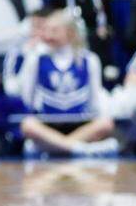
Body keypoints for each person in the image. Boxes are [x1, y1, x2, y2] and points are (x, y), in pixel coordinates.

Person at [18, 9, 118, 157]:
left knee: (106, 123)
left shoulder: (89, 60)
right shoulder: (36, 59)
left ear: (70, 32)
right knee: (28, 125)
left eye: (55, 30)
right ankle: (81, 148)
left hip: (80, 124)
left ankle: (53, 147)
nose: (48, 35)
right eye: (46, 30)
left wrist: (96, 119)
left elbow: (95, 99)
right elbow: (27, 97)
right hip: (48, 124)